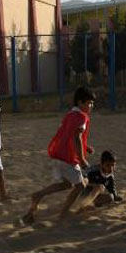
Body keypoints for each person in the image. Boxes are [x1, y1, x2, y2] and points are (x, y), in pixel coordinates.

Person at [21, 86, 96, 224]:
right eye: (89, 103)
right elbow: (76, 137)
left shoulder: (70, 115)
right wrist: (82, 158)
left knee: (67, 184)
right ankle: (63, 213)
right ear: (80, 103)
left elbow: (68, 135)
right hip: (68, 158)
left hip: (58, 155)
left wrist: (86, 147)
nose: (91, 106)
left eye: (92, 103)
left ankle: (38, 195)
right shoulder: (81, 117)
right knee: (80, 186)